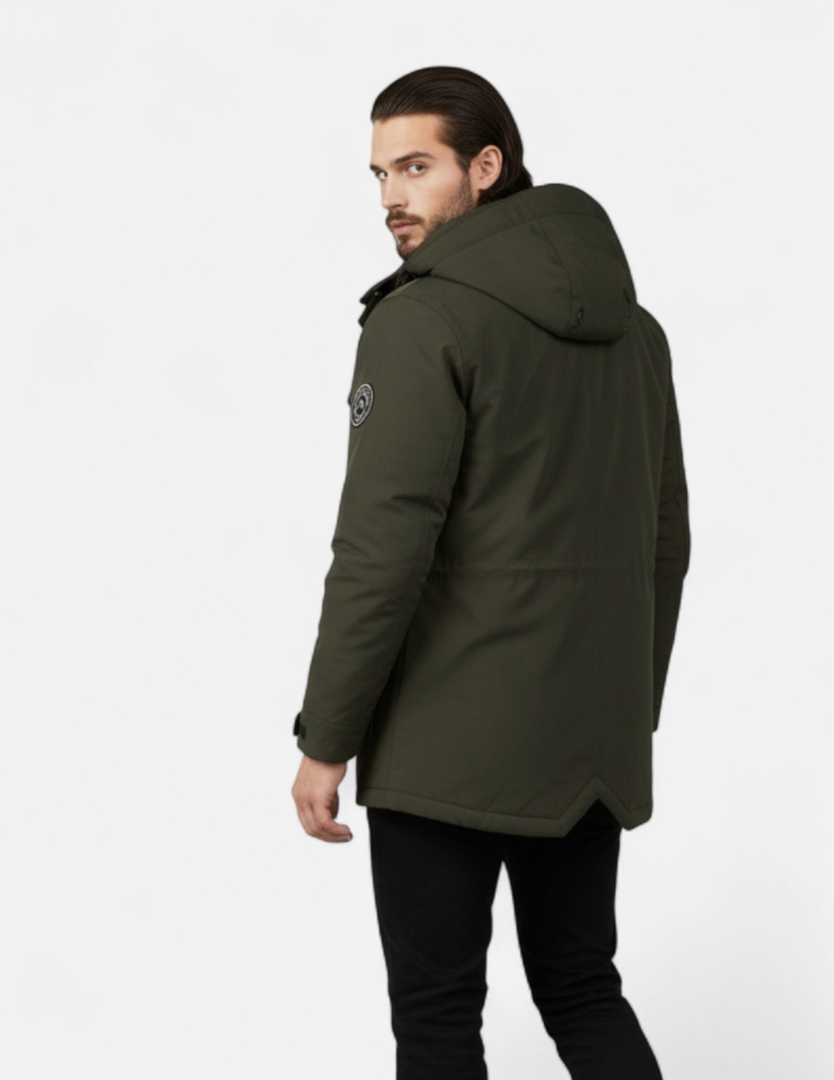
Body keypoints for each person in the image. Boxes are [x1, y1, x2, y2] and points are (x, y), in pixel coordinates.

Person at [290, 65, 691, 1080]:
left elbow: (381, 548)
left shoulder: (422, 321)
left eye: (416, 167)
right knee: (583, 989)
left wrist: (327, 738)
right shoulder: (637, 334)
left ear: (485, 166)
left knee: (436, 1019)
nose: (392, 197)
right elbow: (666, 542)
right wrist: (628, 712)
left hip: (445, 746)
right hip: (589, 743)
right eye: (380, 173)